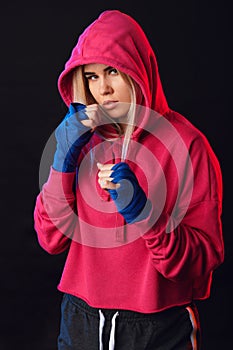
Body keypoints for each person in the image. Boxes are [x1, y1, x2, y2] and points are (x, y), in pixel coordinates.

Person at [34, 9, 224, 350]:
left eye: (111, 71)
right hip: (81, 318)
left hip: (158, 325)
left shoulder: (186, 144)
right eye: (90, 77)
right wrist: (62, 164)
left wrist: (146, 214)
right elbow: (50, 238)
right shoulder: (81, 139)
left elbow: (202, 258)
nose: (103, 89)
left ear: (138, 70)